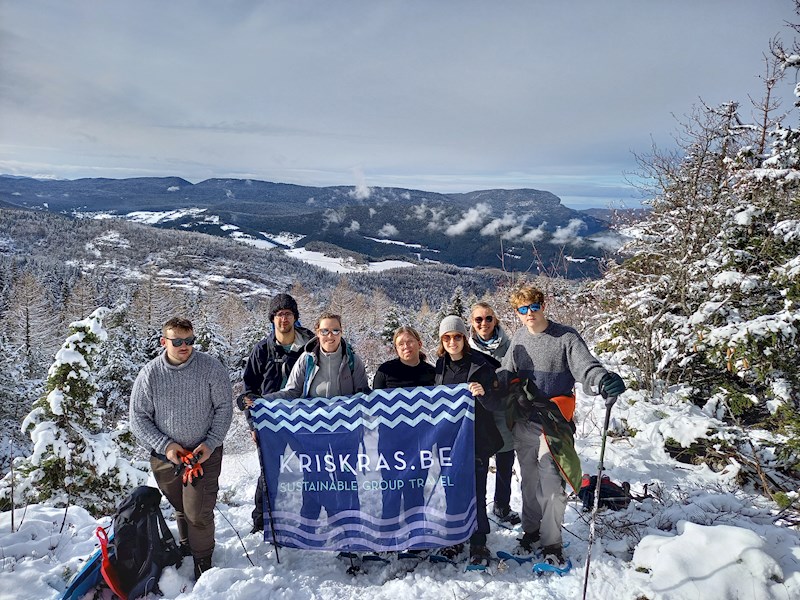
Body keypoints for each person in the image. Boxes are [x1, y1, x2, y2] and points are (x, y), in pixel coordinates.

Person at [497, 286, 626, 569]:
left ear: (543, 305)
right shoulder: (518, 339)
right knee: (529, 483)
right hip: (524, 423)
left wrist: (602, 380)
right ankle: (530, 533)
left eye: (533, 307)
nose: (529, 314)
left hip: (554, 426)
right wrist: (492, 382)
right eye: (522, 310)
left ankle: (552, 543)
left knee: (552, 487)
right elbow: (507, 370)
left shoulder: (565, 337)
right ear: (517, 313)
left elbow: (586, 368)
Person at [130, 317, 233, 580]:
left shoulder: (210, 368)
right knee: (180, 505)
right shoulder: (150, 374)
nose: (184, 346)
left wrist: (210, 444)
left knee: (198, 511)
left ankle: (203, 561)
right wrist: (166, 446)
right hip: (167, 457)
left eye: (189, 341)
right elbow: (138, 418)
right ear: (164, 342)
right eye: (177, 341)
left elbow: (224, 408)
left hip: (204, 454)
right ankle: (187, 547)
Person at [248, 312, 370, 528]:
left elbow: (362, 393)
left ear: (341, 332)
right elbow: (292, 391)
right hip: (313, 432)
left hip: (345, 433)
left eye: (335, 330)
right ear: (317, 332)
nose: (330, 336)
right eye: (324, 331)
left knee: (345, 478)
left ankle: (348, 523)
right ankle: (308, 523)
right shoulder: (307, 359)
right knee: (315, 477)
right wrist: (262, 401)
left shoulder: (352, 360)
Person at [240, 293, 315, 534]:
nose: (284, 319)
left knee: (312, 468)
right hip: (271, 422)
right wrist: (253, 424)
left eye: (288, 313)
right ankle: (261, 522)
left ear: (295, 317)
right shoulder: (262, 350)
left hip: (306, 419)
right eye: (279, 314)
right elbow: (248, 389)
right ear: (272, 319)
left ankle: (309, 517)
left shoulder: (311, 347)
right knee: (270, 471)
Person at [434, 315, 503, 566]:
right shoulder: (440, 366)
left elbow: (497, 402)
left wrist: (483, 394)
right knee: (452, 490)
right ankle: (455, 537)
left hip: (477, 439)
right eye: (447, 337)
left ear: (465, 338)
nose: (453, 341)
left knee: (476, 490)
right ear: (442, 340)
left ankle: (478, 542)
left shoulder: (481, 366)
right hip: (450, 442)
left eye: (457, 336)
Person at [372, 326, 436, 528]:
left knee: (415, 487)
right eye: (401, 344)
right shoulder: (385, 371)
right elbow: (375, 405)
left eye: (409, 342)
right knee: (391, 486)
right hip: (391, 441)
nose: (406, 346)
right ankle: (388, 530)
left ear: (419, 344)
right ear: (395, 348)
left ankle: (416, 530)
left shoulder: (432, 373)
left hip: (420, 440)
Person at [468, 302, 521, 526]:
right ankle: (476, 509)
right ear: (472, 323)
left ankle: (502, 504)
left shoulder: (510, 346)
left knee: (505, 459)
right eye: (478, 319)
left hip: (503, 410)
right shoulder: (466, 348)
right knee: (478, 464)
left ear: (495, 320)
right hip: (478, 415)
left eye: (488, 318)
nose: (484, 323)